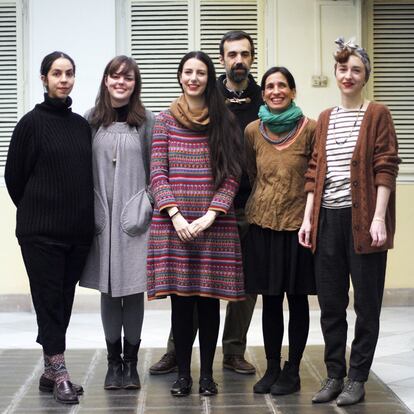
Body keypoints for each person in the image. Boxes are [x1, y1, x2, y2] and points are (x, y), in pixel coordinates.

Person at [149, 29, 262, 377]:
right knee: (187, 287)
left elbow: (239, 161)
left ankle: (232, 352)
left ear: (252, 59)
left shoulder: (263, 100)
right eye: (231, 54)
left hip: (244, 206)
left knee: (241, 289)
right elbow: (158, 168)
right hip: (193, 211)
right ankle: (176, 352)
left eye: (244, 54)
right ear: (223, 60)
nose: (238, 60)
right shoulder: (210, 100)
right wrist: (179, 213)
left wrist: (217, 209)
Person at [299, 37, 400, 406]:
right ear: (336, 72)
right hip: (327, 221)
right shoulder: (325, 118)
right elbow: (315, 171)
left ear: (365, 76)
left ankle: (357, 378)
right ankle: (333, 375)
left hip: (364, 222)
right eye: (343, 68)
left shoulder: (378, 114)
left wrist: (379, 218)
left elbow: (385, 167)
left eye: (356, 69)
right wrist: (308, 217)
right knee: (330, 302)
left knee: (367, 304)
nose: (348, 75)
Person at [5, 51, 94, 405]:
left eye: (69, 73)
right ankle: (61, 372)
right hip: (40, 234)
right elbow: (15, 178)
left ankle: (48, 372)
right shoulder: (30, 124)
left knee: (64, 300)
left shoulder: (80, 126)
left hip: (77, 234)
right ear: (44, 79)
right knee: (48, 302)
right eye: (56, 73)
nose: (63, 79)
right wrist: (36, 211)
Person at [80, 56, 154, 391]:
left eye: (128, 77)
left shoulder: (147, 122)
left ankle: (131, 363)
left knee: (133, 290)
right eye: (115, 76)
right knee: (109, 291)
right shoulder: (90, 121)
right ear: (106, 80)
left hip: (136, 220)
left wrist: (147, 203)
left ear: (135, 84)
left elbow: (158, 169)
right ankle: (113, 364)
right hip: (101, 220)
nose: (121, 82)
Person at [243, 67, 316, 395]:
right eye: (270, 86)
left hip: (299, 226)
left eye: (282, 86)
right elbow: (251, 172)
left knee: (297, 300)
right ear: (263, 93)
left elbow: (317, 176)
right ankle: (272, 368)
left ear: (293, 91)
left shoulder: (311, 129)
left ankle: (293, 370)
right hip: (263, 224)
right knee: (270, 301)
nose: (275, 91)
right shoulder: (252, 131)